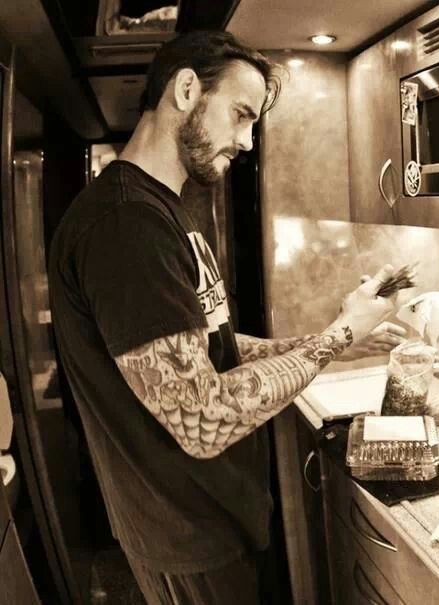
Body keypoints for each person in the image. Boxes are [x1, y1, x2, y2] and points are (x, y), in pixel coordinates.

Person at [48, 30, 406, 605]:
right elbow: (202, 419)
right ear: (187, 90)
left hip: (209, 518)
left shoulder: (161, 206)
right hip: (184, 536)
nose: (246, 141)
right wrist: (341, 333)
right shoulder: (126, 225)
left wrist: (336, 338)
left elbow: (208, 346)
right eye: (241, 115)